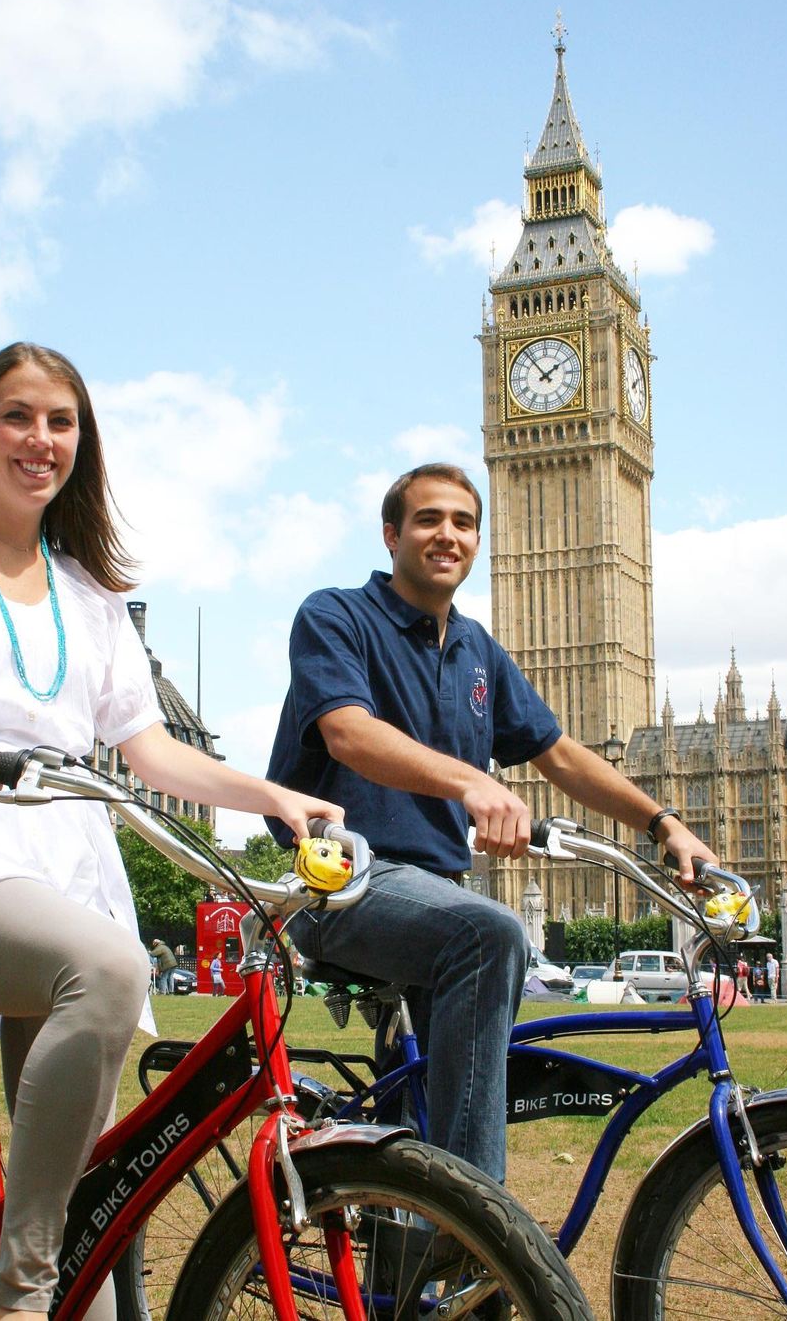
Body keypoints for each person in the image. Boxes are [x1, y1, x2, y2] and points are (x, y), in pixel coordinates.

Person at [0, 342, 343, 1321]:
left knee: (95, 1182)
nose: (40, 439)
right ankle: (19, 1295)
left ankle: (69, 1290)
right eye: (19, 416)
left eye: (60, 422)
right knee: (112, 970)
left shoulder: (92, 597)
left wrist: (272, 797)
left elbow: (151, 752)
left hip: (67, 865)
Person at [265, 463, 717, 1185]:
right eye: (428, 519)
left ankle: (413, 1251)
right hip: (338, 882)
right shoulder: (336, 615)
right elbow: (348, 732)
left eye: (464, 523)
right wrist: (474, 782)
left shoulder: (478, 650)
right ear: (391, 534)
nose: (448, 534)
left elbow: (560, 754)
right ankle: (474, 1221)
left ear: (478, 542)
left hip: (432, 892)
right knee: (489, 930)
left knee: (405, 1132)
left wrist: (662, 821)